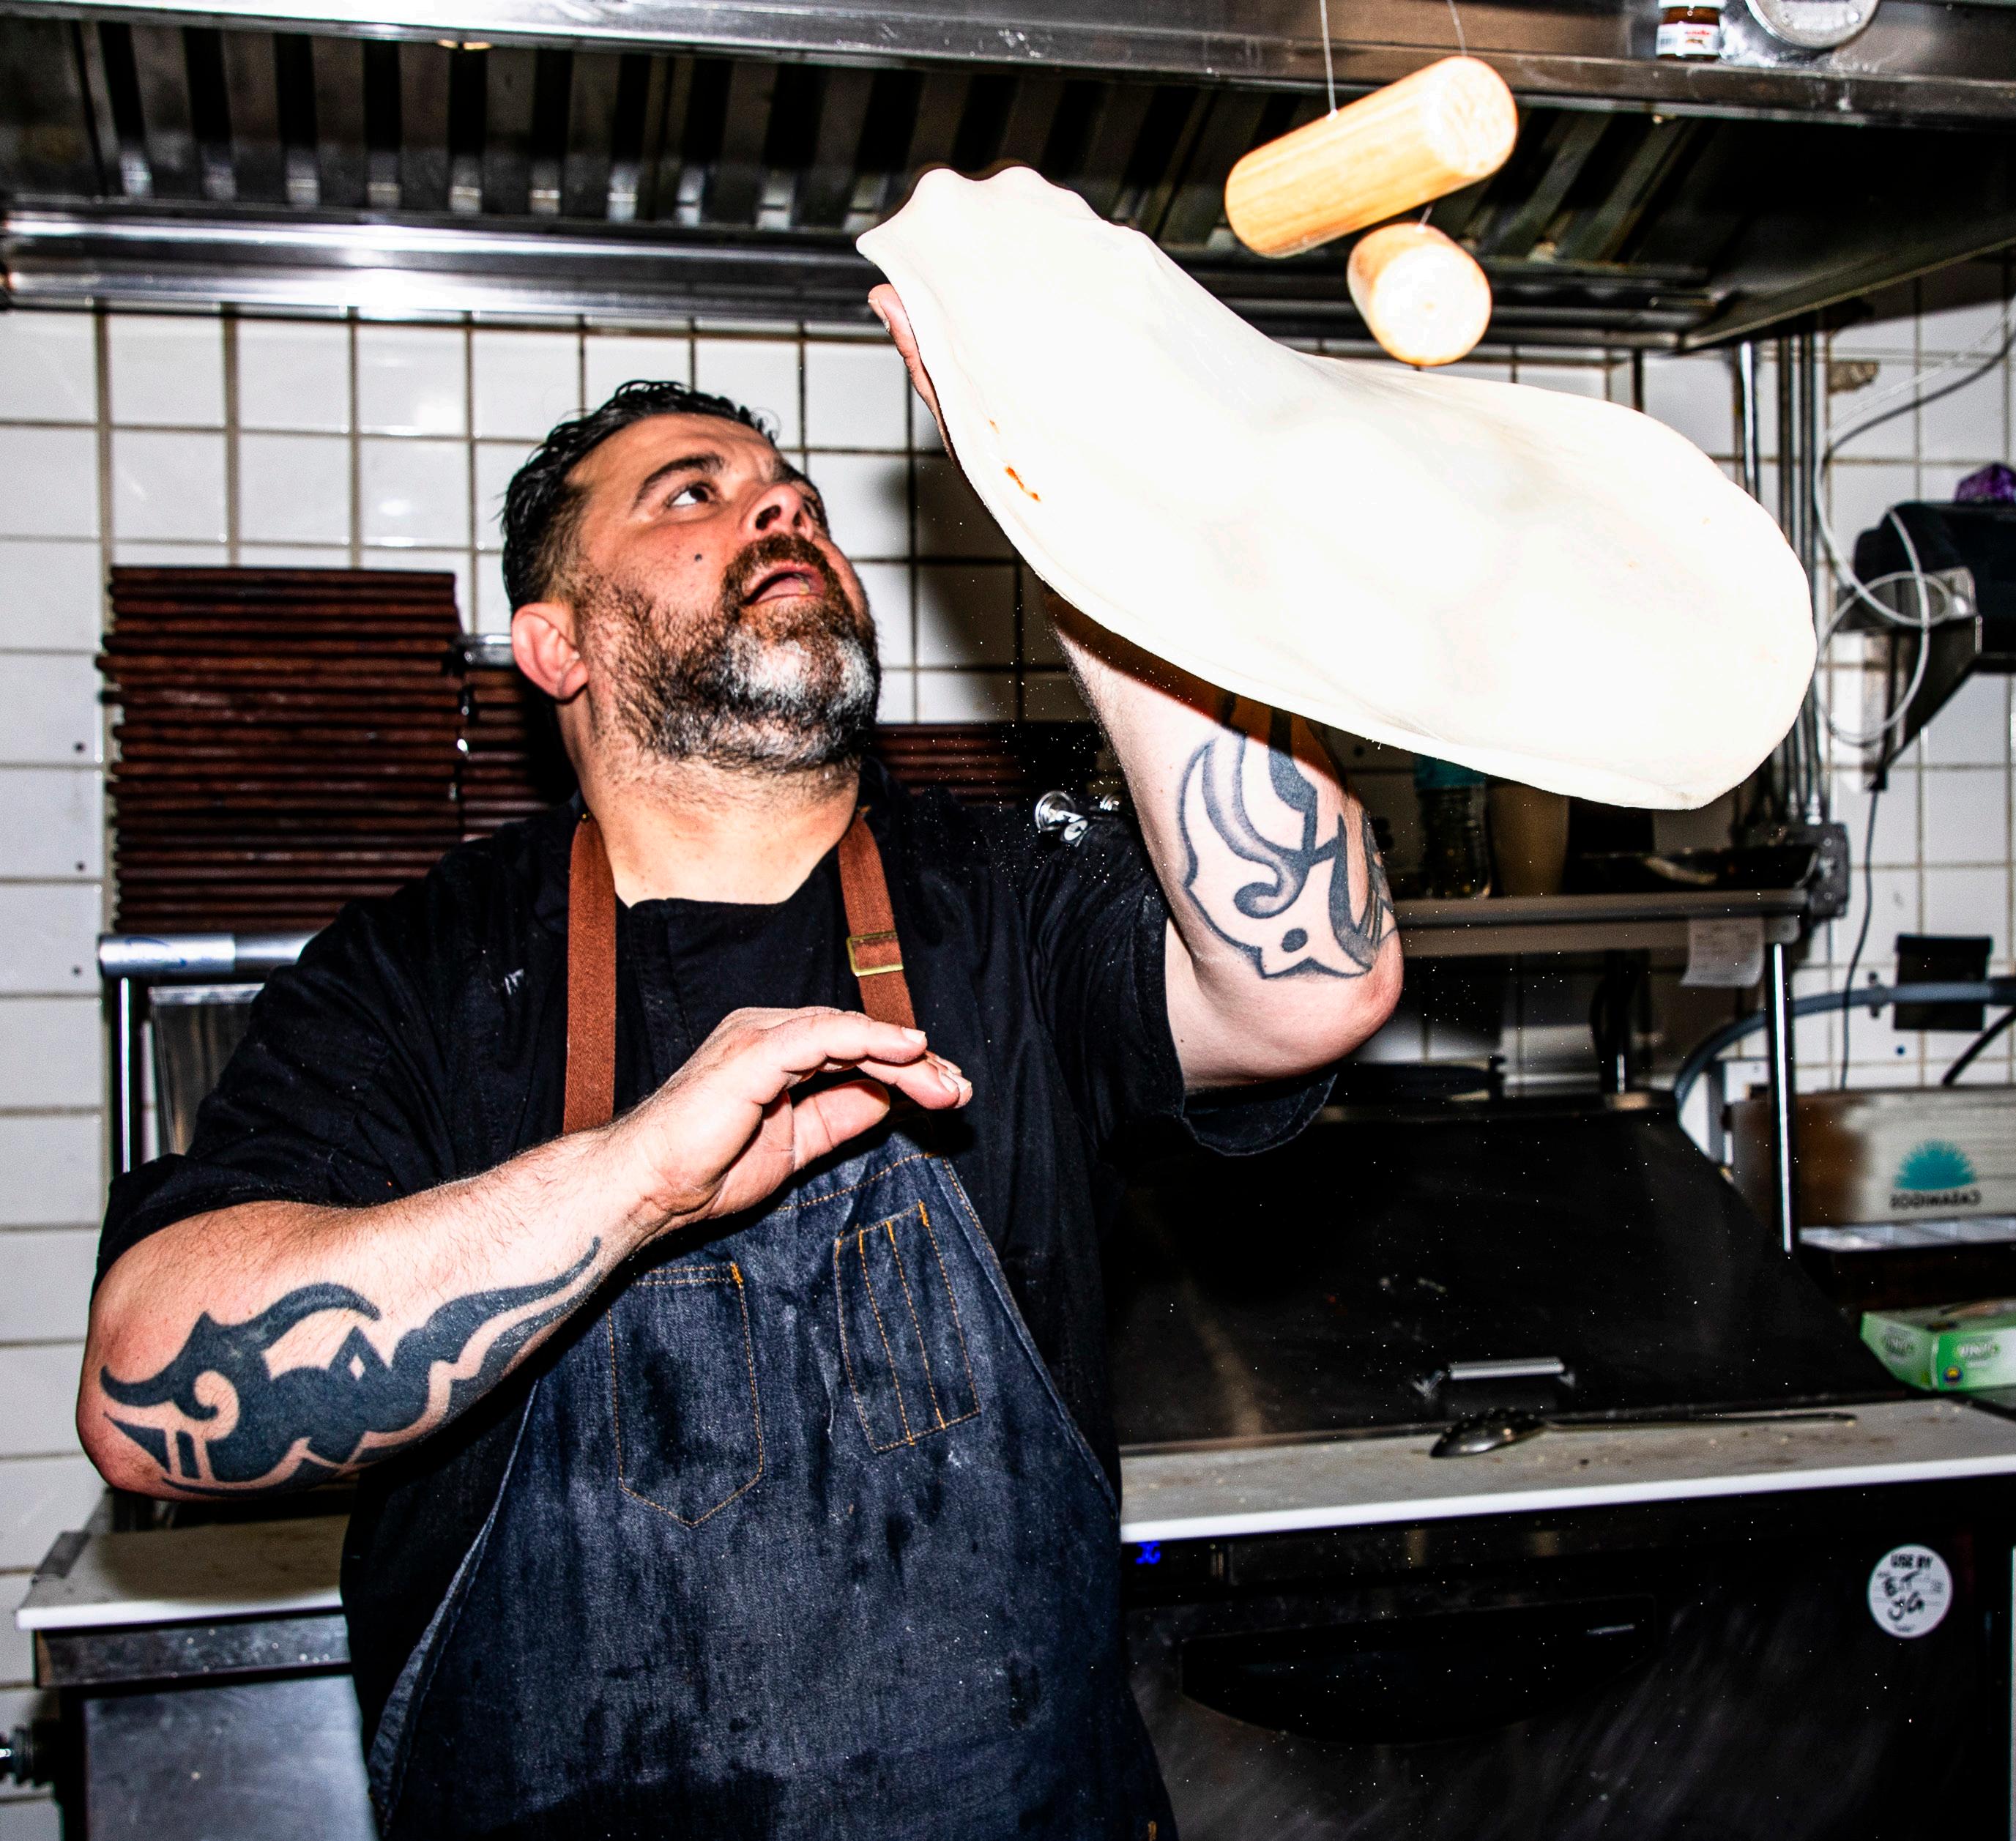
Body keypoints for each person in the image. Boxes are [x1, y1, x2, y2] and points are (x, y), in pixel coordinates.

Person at [80, 289, 1402, 1838]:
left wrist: (1093, 510)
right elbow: (146, 1389)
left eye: (794, 492)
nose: (780, 506)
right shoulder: (417, 972)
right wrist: (631, 1179)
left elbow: (1309, 986)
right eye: (690, 493)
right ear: (557, 644)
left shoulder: (1008, 896)